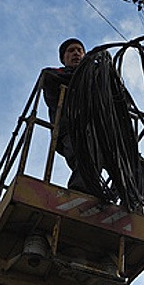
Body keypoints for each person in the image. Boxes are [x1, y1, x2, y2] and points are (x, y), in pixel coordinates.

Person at [41, 38, 89, 193]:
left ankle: (132, 202)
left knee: (135, 163)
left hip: (99, 130)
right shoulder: (54, 74)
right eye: (71, 51)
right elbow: (51, 80)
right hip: (70, 129)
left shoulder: (96, 76)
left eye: (79, 50)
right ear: (63, 58)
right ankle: (80, 192)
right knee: (85, 154)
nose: (76, 53)